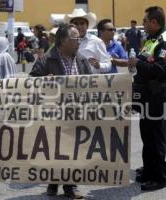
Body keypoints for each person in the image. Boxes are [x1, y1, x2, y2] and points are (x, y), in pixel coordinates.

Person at [30, 24, 91, 199]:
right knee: (56, 149)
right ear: (63, 41)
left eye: (80, 38)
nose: (79, 42)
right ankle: (64, 184)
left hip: (76, 113)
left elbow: (93, 81)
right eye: (76, 39)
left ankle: (63, 183)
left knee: (71, 149)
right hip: (53, 114)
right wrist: (43, 81)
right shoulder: (46, 60)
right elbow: (31, 83)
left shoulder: (81, 59)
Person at [128, 6, 166, 191]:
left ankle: (159, 178)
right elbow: (144, 61)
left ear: (155, 22)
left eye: (146, 21)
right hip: (146, 96)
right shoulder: (151, 39)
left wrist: (139, 63)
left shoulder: (164, 42)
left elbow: (161, 71)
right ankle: (149, 171)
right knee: (147, 136)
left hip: (157, 96)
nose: (143, 23)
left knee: (156, 138)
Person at [64, 8, 112, 74]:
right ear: (71, 26)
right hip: (71, 82)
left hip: (91, 82)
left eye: (82, 23)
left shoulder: (97, 42)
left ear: (87, 25)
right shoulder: (66, 42)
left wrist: (99, 65)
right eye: (76, 23)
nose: (79, 26)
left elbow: (108, 65)